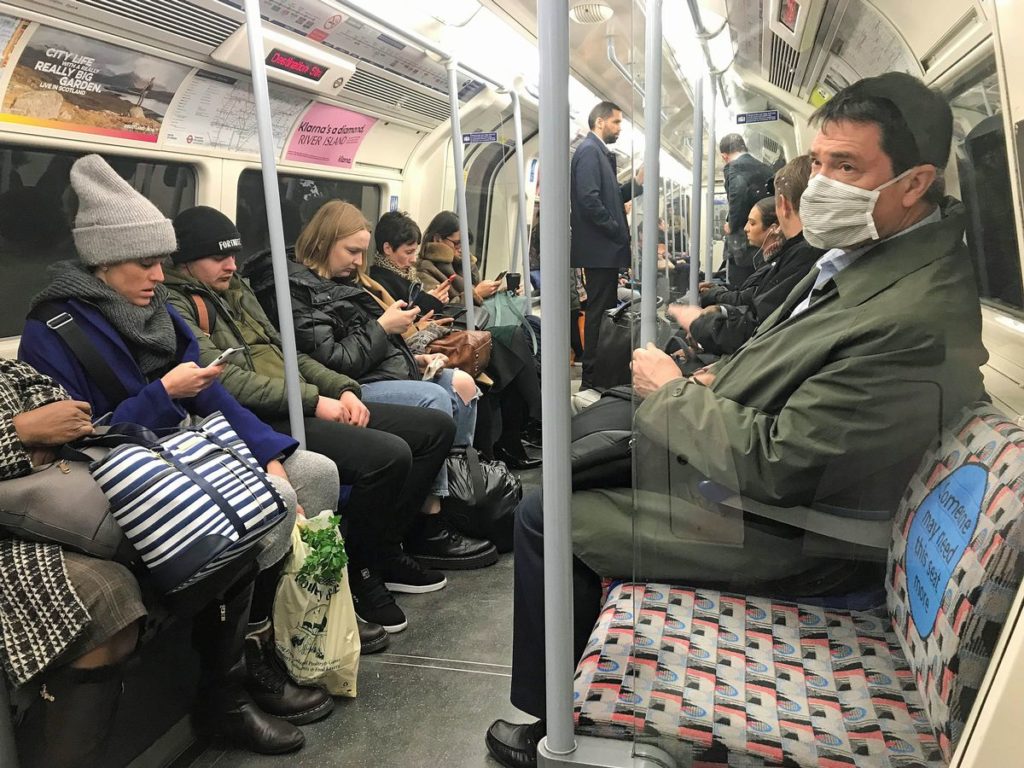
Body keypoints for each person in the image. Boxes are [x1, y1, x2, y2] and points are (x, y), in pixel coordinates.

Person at [485, 71, 989, 768]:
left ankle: (553, 729)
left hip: (803, 538)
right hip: (762, 491)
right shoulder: (872, 260)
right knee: (585, 458)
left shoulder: (913, 316)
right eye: (819, 162)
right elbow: (791, 363)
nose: (822, 183)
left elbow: (779, 462)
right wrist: (709, 379)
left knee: (552, 518)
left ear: (914, 182)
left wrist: (671, 393)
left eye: (848, 166)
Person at [17, 155, 338, 755]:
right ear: (103, 262)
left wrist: (268, 452)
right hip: (128, 464)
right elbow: (83, 434)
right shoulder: (54, 328)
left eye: (162, 261)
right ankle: (227, 692)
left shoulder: (161, 315)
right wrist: (163, 395)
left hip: (198, 448)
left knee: (312, 474)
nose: (160, 275)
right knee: (265, 508)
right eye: (145, 262)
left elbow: (213, 393)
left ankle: (266, 643)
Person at [164, 206, 462, 636]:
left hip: (301, 397)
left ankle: (382, 548)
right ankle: (359, 571)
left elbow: (288, 353)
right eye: (217, 258)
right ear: (186, 260)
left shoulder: (237, 290)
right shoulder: (179, 303)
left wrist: (341, 388)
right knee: (388, 456)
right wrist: (313, 399)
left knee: (435, 429)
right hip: (261, 416)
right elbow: (224, 381)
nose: (230, 265)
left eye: (232, 255)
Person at [241, 201, 499, 568]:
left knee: (461, 385)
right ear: (324, 242)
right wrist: (382, 327)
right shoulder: (295, 291)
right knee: (433, 402)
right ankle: (426, 520)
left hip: (376, 370)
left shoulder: (345, 281)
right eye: (352, 251)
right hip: (346, 383)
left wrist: (415, 357)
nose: (360, 261)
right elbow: (334, 360)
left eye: (363, 252)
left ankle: (452, 500)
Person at [416, 211, 544, 467]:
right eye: (456, 242)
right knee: (514, 341)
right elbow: (439, 309)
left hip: (477, 329)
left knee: (528, 332)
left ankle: (522, 431)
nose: (462, 248)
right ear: (437, 238)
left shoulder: (464, 264)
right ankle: (539, 416)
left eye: (465, 242)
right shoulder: (424, 269)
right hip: (455, 333)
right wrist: (474, 292)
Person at [671, 155, 823, 356]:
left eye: (752, 223)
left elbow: (758, 328)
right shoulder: (793, 254)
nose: (745, 229)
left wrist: (699, 322)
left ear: (783, 205)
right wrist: (719, 306)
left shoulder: (804, 255)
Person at [570, 101, 643, 391]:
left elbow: (611, 195)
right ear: (600, 122)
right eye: (616, 123)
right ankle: (592, 378)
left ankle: (600, 374)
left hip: (604, 250)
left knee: (604, 310)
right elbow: (589, 200)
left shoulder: (599, 153)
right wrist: (616, 231)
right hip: (600, 249)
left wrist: (637, 184)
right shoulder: (589, 152)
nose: (619, 128)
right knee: (599, 313)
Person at [720, 133, 774, 288]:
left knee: (741, 285)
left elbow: (738, 193)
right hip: (766, 238)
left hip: (743, 244)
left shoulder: (733, 168)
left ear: (724, 156)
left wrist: (732, 223)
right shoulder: (766, 168)